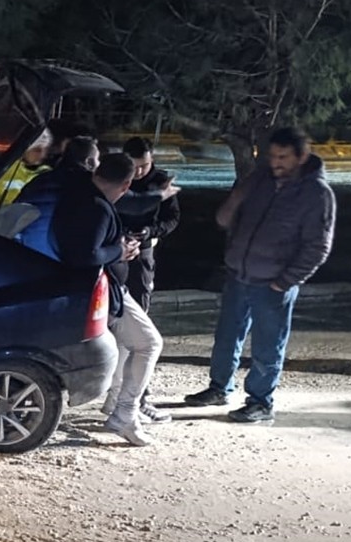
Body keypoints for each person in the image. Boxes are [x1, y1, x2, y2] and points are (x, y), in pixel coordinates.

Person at [184, 126, 336, 422]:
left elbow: (318, 246)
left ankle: (261, 402)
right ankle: (219, 387)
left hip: (274, 282)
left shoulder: (317, 194)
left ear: (302, 157)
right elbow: (225, 219)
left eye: (283, 157)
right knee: (227, 336)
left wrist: (286, 280)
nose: (276, 162)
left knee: (268, 344)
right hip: (240, 273)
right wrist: (237, 197)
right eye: (272, 156)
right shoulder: (261, 179)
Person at [51, 151, 165, 446]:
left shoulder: (79, 194)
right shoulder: (98, 207)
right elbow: (85, 255)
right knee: (150, 343)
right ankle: (125, 413)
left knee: (132, 344)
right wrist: (121, 251)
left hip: (96, 289)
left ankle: (117, 404)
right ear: (126, 185)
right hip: (103, 290)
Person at [108, 136, 182, 423]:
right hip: (114, 253)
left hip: (143, 254)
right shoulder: (117, 176)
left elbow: (172, 218)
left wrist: (150, 232)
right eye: (134, 167)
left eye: (144, 166)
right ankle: (117, 397)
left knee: (141, 327)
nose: (139, 173)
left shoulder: (161, 181)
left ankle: (140, 398)